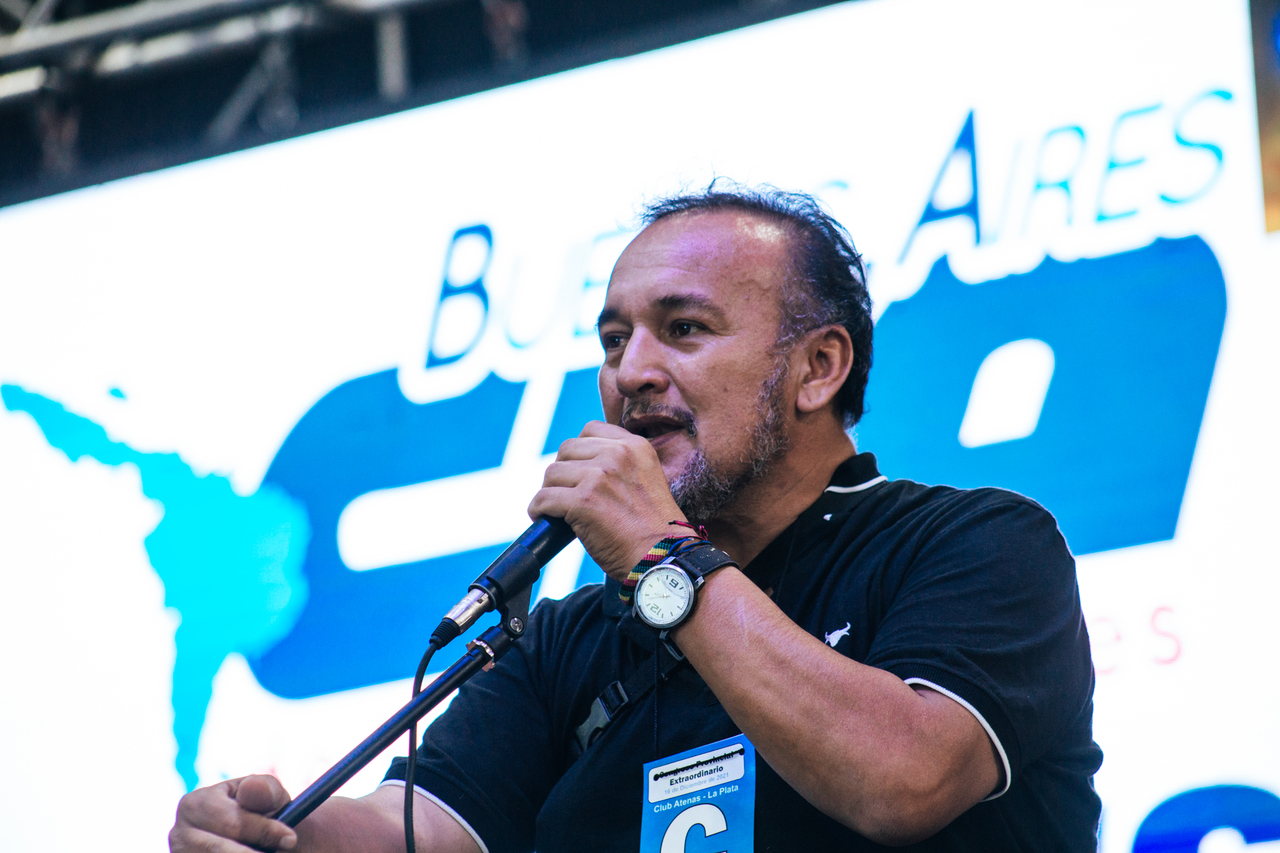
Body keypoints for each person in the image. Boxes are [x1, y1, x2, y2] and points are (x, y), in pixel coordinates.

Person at [170, 185, 1102, 853]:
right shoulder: (565, 639)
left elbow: (904, 779)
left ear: (818, 369)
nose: (631, 372)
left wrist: (663, 556)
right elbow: (425, 827)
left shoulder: (975, 542)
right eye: (614, 340)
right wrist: (279, 832)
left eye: (684, 329)